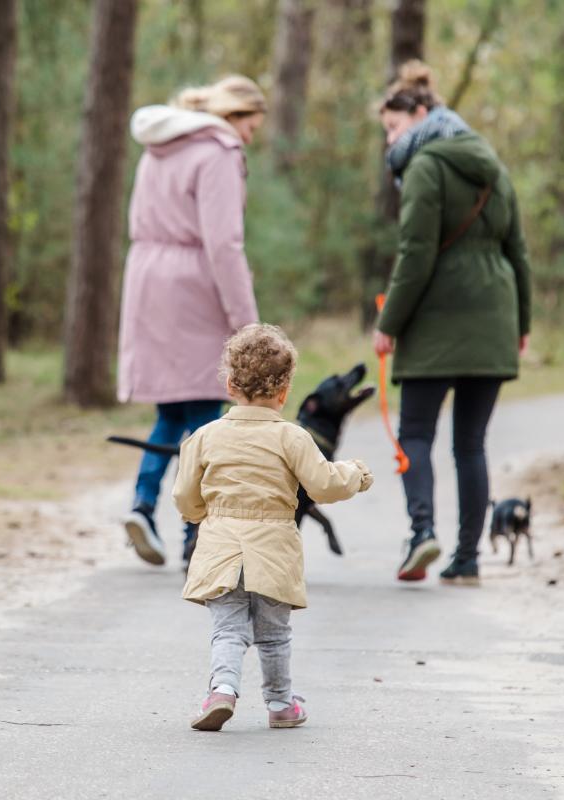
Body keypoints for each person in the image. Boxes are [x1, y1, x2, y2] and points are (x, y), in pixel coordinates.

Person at [373, 61, 533, 586]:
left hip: (437, 317)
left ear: (421, 114)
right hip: (494, 316)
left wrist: (389, 323)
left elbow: (416, 253)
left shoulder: (425, 166)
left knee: (415, 433)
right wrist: (522, 321)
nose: (390, 141)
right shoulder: (493, 166)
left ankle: (422, 534)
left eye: (393, 128)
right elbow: (518, 252)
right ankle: (466, 559)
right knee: (471, 442)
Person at [173, 324, 374, 731]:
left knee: (228, 630)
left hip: (221, 550)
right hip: (274, 552)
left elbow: (184, 495)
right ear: (284, 393)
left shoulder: (204, 437)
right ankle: (281, 704)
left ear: (229, 384)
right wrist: (356, 472)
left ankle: (223, 691)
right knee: (274, 635)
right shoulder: (292, 438)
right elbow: (324, 485)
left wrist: (200, 516)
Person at [119, 76, 266, 570]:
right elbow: (223, 244)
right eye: (250, 126)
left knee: (171, 409)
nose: (250, 138)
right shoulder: (218, 152)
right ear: (232, 116)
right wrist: (247, 324)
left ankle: (143, 503)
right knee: (204, 414)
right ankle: (195, 532)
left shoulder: (160, 147)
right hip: (193, 284)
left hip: (147, 278)